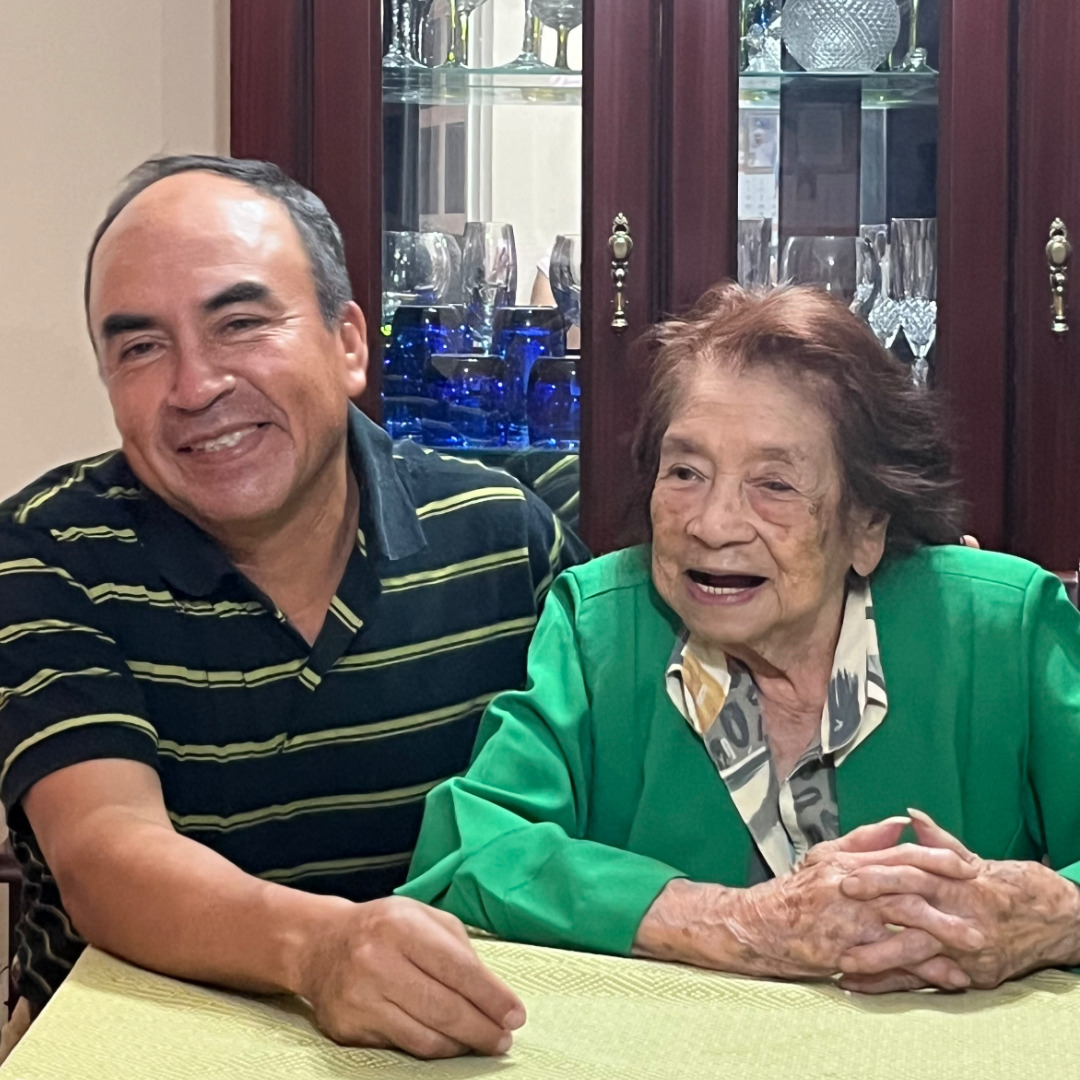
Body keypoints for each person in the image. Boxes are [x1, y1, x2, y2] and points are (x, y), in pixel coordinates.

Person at [0, 154, 588, 1058]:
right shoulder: (49, 551)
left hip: (463, 1048)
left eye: (240, 323)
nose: (195, 387)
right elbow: (105, 850)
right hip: (136, 1054)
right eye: (141, 348)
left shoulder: (504, 539)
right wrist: (321, 950)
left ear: (348, 343)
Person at [403, 282, 1080, 995]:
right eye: (685, 473)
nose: (713, 524)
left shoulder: (1001, 627)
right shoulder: (600, 625)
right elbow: (468, 853)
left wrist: (1056, 917)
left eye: (774, 484)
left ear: (867, 525)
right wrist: (735, 922)